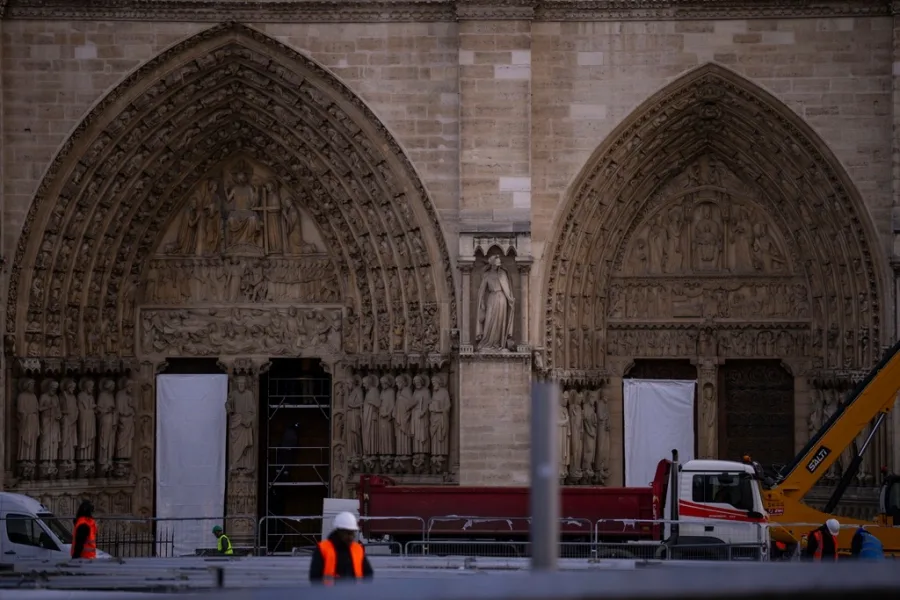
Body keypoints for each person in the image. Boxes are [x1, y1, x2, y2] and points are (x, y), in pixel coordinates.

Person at [309, 512, 373, 583]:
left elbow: (368, 574)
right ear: (339, 532)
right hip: (330, 590)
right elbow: (315, 578)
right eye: (348, 533)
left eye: (353, 533)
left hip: (354, 590)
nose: (351, 537)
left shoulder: (358, 549)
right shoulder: (323, 548)